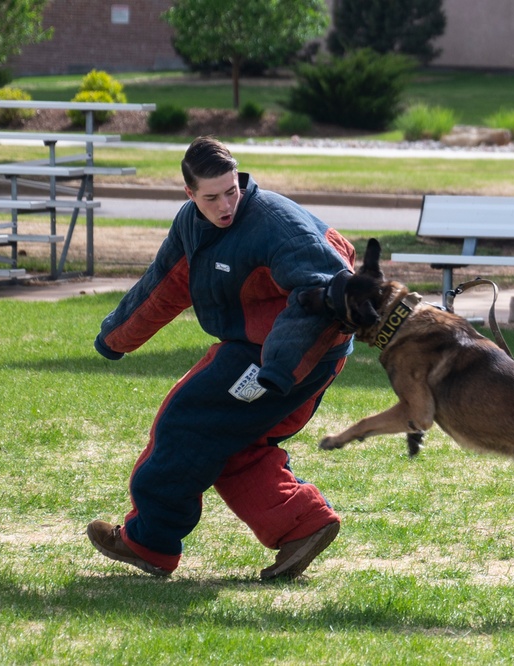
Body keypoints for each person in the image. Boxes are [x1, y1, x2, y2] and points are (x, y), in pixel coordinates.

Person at [87, 136, 356, 579]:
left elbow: (323, 295)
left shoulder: (275, 223)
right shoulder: (192, 224)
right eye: (211, 197)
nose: (226, 204)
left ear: (240, 180)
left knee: (186, 423)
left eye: (232, 191)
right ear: (189, 194)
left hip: (291, 354)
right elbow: (166, 283)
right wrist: (117, 336)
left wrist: (278, 368)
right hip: (260, 351)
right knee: (230, 443)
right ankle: (300, 526)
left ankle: (148, 541)